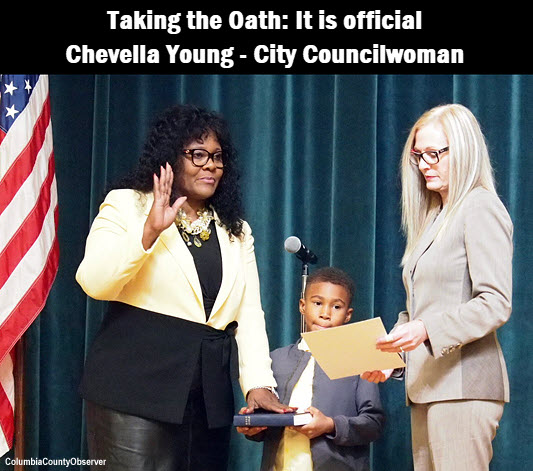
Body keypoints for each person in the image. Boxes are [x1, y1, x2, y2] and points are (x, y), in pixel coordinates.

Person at [76, 104, 292, 471]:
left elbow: (249, 314)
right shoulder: (128, 204)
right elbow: (94, 282)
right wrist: (149, 231)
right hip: (134, 390)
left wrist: (258, 383)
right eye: (197, 154)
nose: (210, 165)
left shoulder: (235, 230)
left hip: (207, 400)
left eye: (218, 157)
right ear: (170, 158)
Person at [361, 104, 513, 471]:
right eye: (418, 156)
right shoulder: (434, 216)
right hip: (429, 388)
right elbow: (422, 310)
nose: (424, 164)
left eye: (434, 153)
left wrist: (425, 329)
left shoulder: (479, 207)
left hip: (464, 390)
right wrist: (392, 353)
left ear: (463, 150)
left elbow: (495, 302)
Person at [238, 267, 385, 471]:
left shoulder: (360, 360)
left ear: (348, 314)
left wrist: (330, 425)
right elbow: (266, 424)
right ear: (302, 306)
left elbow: (373, 424)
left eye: (336, 307)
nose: (325, 314)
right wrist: (252, 427)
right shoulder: (275, 359)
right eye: (317, 303)